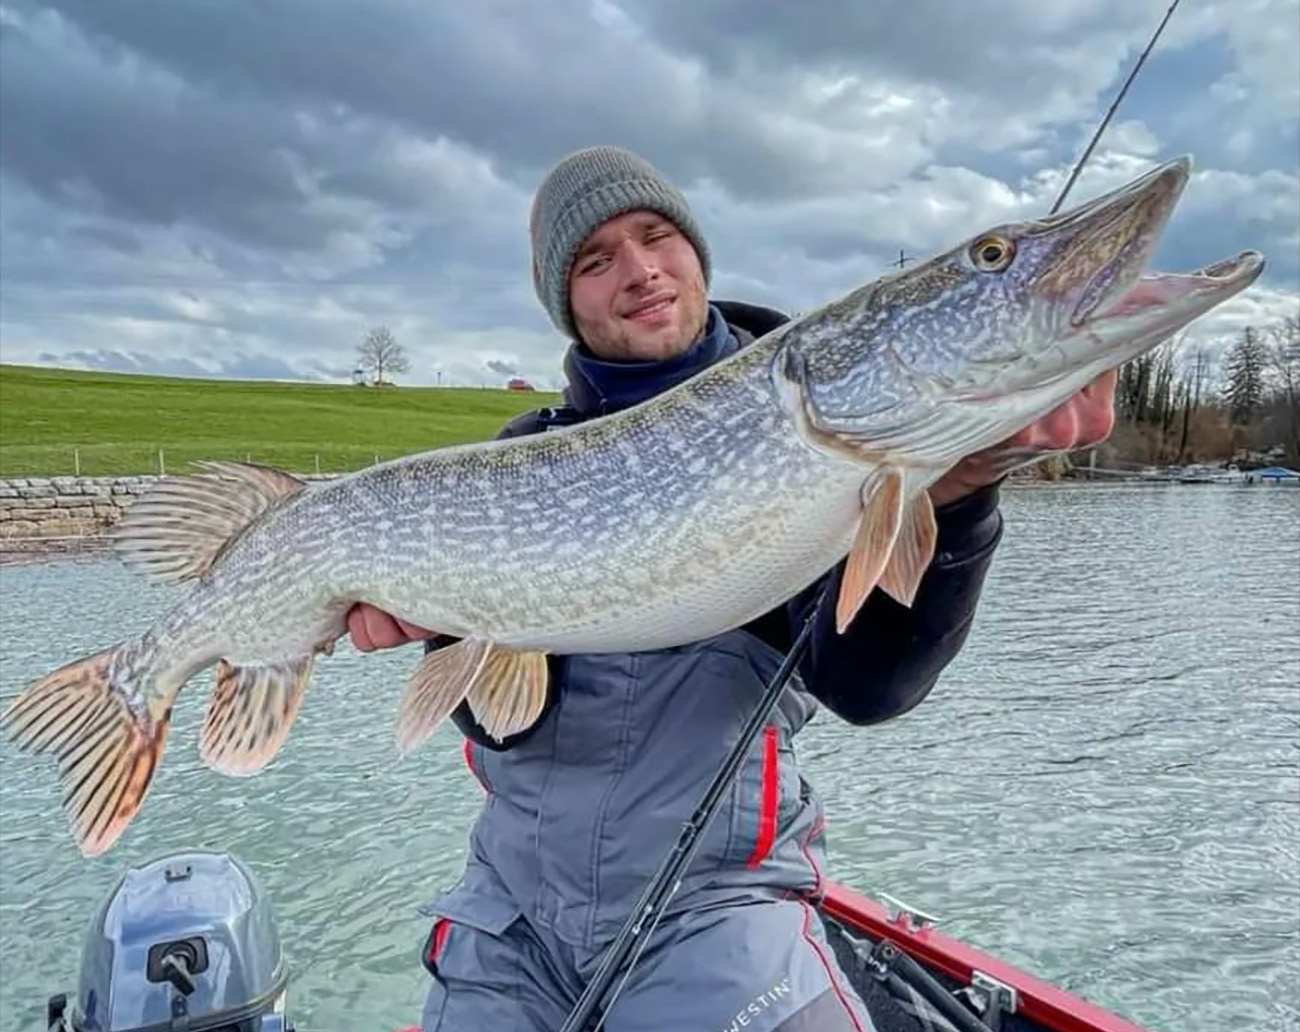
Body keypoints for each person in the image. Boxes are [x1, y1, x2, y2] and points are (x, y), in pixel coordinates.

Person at [348, 146, 1118, 1031]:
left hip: (715, 912)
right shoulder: (515, 460)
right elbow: (500, 722)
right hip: (511, 918)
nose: (638, 272)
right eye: (595, 262)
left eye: (655, 236)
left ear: (695, 251)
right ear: (568, 303)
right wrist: (441, 623)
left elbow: (872, 688)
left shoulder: (809, 434)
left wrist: (961, 495)